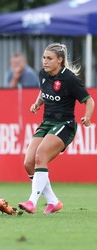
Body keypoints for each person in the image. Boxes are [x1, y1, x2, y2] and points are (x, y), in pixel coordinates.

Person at [18, 43, 95, 214]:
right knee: (29, 163)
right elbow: (44, 89)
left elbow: (89, 100)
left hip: (64, 125)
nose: (45, 61)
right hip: (47, 123)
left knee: (40, 156)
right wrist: (38, 102)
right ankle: (53, 201)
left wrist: (87, 116)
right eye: (44, 57)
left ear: (60, 60)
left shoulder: (70, 80)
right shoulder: (43, 73)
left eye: (49, 58)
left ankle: (32, 202)